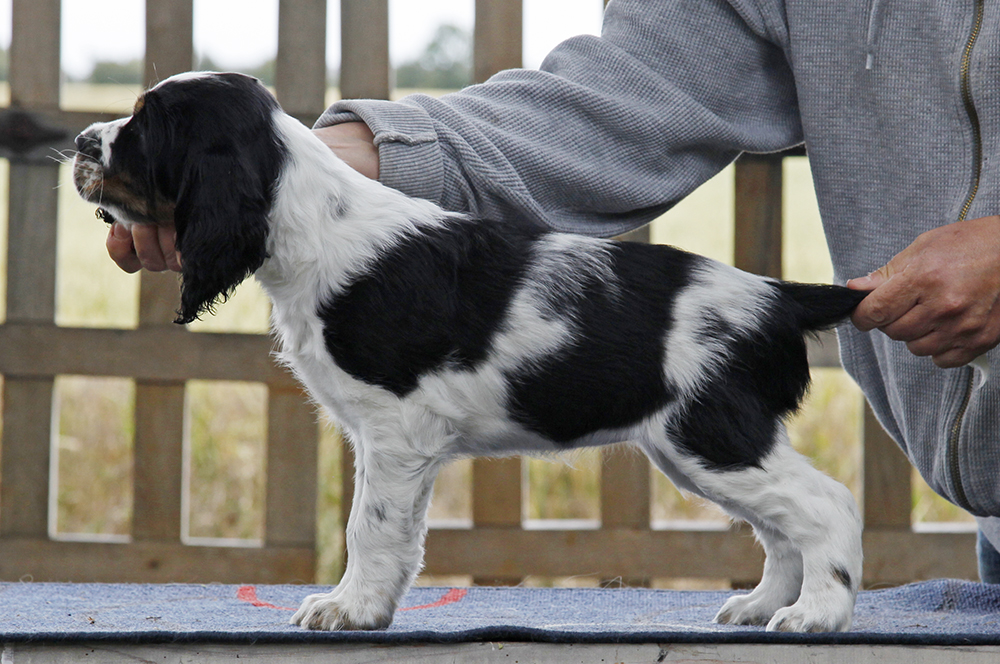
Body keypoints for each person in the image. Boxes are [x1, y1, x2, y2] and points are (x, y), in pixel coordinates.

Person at [108, 0, 1000, 581]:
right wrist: (327, 173)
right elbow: (619, 103)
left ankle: (821, 542)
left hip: (675, 336)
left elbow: (402, 430)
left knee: (709, 446)